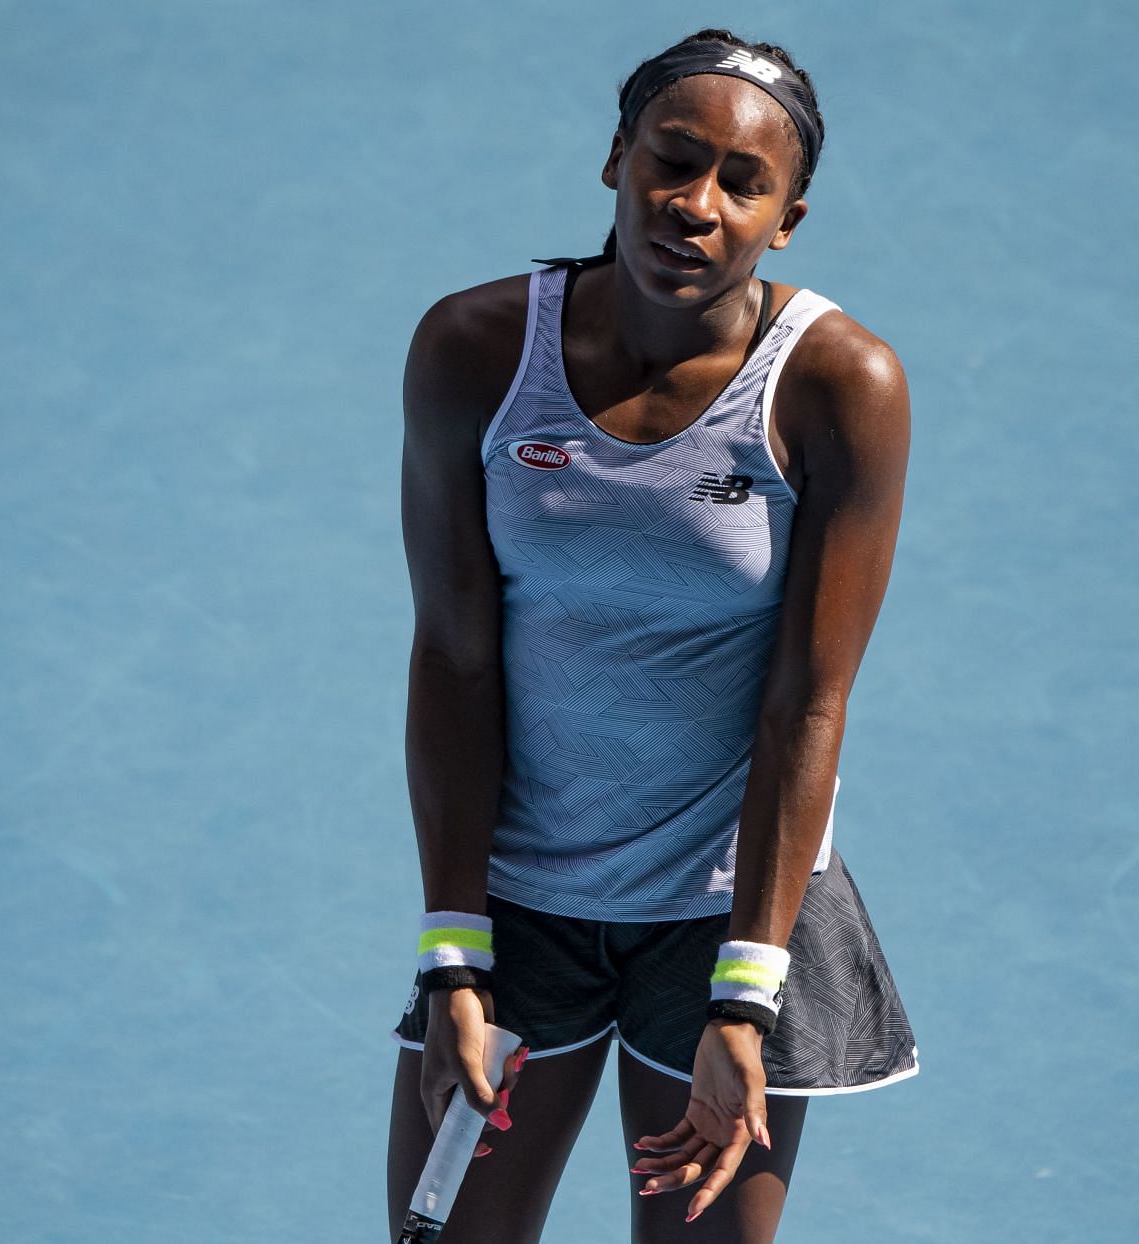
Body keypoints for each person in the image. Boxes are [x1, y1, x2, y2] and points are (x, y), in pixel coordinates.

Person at [387, 29, 916, 1244]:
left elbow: (807, 702)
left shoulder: (841, 385)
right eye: (673, 161)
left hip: (731, 918)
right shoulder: (473, 351)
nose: (697, 205)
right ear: (617, 159)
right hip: (521, 904)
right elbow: (454, 655)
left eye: (744, 183)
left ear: (786, 221)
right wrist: (455, 954)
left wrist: (746, 996)